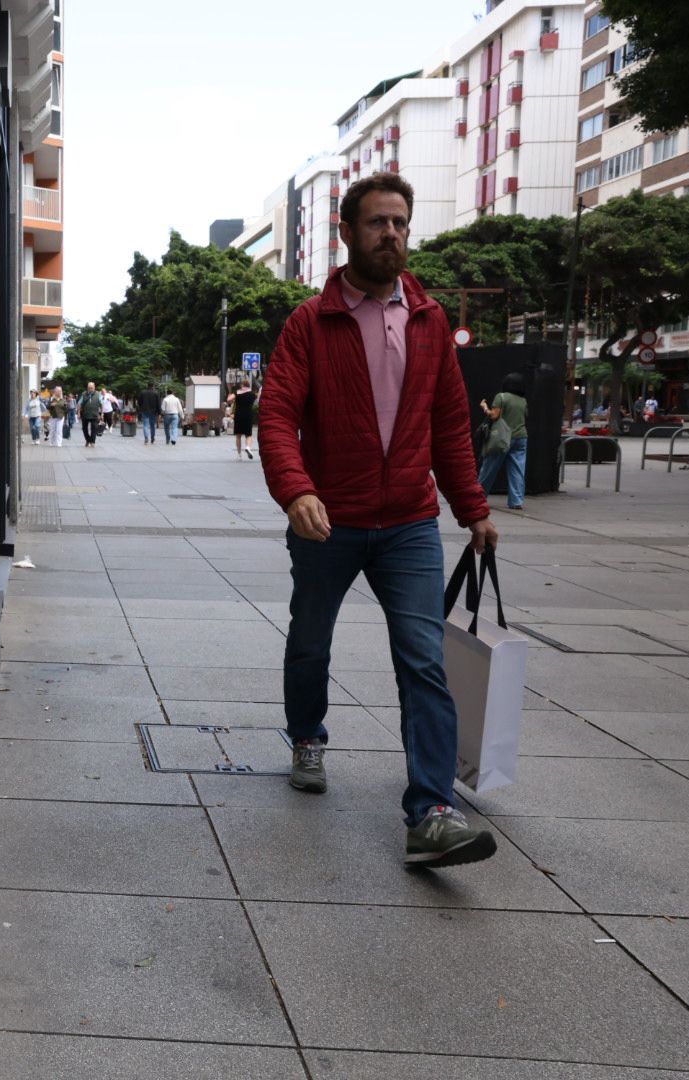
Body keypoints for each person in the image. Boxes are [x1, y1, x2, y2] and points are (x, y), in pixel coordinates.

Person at [258, 171, 499, 869]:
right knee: (309, 640)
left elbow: (451, 427)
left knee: (423, 659)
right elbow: (276, 414)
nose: (390, 234)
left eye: (400, 223)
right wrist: (296, 490)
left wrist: (473, 510)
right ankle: (307, 733)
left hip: (409, 524)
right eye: (376, 223)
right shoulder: (312, 320)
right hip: (327, 520)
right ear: (346, 233)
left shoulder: (427, 319)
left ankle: (430, 810)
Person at [477, 373, 529, 511]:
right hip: (521, 437)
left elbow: (494, 416)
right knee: (517, 470)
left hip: (503, 437)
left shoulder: (501, 397)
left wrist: (484, 407)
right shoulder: (523, 400)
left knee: (489, 468)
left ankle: (478, 498)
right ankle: (516, 501)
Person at [228, 380, 257, 460]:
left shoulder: (237, 393)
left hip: (238, 415)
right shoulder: (252, 394)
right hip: (248, 415)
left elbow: (229, 399)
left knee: (238, 436)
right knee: (248, 434)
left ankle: (239, 455)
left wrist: (233, 395)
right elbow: (257, 401)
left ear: (242, 385)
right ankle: (248, 447)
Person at [78, 382, 102, 448]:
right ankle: (88, 440)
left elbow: (102, 404)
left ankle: (93, 442)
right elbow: (79, 404)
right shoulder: (84, 394)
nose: (90, 389)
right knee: (84, 428)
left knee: (94, 429)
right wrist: (78, 413)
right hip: (85, 414)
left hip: (95, 414)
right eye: (89, 388)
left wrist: (102, 414)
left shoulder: (98, 394)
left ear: (94, 387)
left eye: (91, 388)